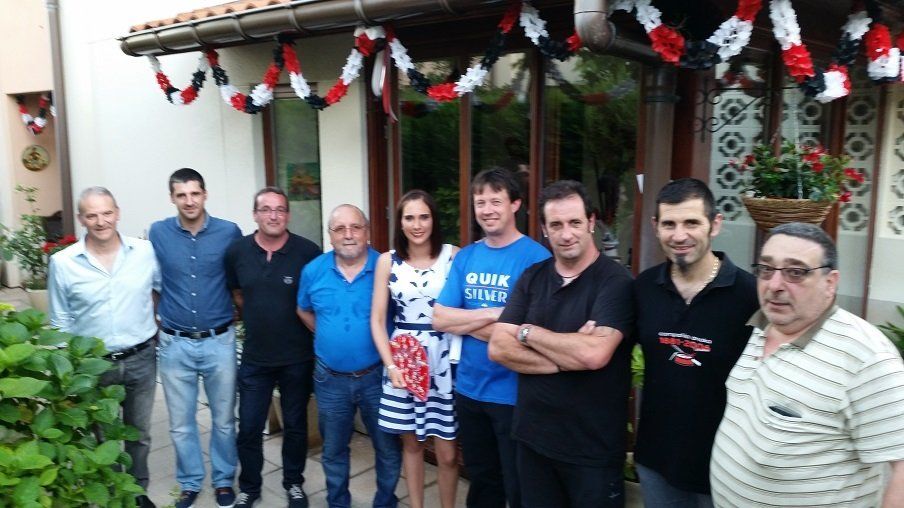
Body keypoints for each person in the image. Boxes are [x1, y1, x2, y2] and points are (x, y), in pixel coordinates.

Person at [710, 222, 904, 507]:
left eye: (796, 272)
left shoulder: (866, 358)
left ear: (830, 283)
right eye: (766, 269)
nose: (774, 285)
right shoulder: (762, 326)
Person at [488, 180, 634, 508]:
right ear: (544, 229)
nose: (566, 234)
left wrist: (528, 333)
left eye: (575, 222)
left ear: (591, 222)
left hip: (592, 452)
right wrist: (566, 359)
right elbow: (498, 347)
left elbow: (594, 354)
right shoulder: (533, 277)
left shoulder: (616, 282)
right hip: (533, 442)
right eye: (556, 225)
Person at [633, 178, 758, 507]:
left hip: (725, 467)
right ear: (655, 227)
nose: (679, 235)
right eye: (669, 224)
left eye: (691, 222)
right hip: (656, 461)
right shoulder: (644, 288)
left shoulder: (750, 296)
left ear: (715, 224)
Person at [433, 168, 550, 508]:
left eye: (496, 201)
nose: (487, 210)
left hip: (514, 395)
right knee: (482, 482)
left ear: (515, 204)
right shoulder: (467, 256)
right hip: (469, 390)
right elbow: (440, 318)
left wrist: (466, 321)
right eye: (480, 202)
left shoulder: (536, 259)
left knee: (519, 486)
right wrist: (497, 314)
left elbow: (529, 333)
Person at [48, 187, 160, 508]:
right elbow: (60, 320)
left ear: (118, 213)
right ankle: (112, 494)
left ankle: (137, 492)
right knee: (103, 436)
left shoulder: (145, 252)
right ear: (81, 219)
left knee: (139, 434)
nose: (101, 221)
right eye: (92, 215)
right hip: (94, 365)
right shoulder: (63, 263)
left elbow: (161, 290)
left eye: (107, 213)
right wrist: (68, 373)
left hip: (141, 358)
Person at [296, 204, 402, 508]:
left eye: (356, 227)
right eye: (340, 229)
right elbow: (303, 309)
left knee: (387, 448)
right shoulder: (313, 270)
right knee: (333, 450)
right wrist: (331, 337)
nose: (348, 235)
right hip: (330, 379)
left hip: (377, 376)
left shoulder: (386, 267)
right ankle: (338, 502)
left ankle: (385, 502)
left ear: (367, 232)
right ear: (330, 235)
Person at [149, 168, 242, 508]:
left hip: (219, 341)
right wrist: (155, 319)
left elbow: (238, 280)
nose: (189, 201)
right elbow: (151, 281)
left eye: (195, 193)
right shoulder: (158, 233)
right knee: (180, 423)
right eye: (181, 195)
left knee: (224, 420)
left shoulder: (229, 232)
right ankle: (189, 482)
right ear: (172, 198)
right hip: (175, 343)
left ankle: (223, 480)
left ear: (205, 194)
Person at [225, 187, 321, 508]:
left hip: (297, 358)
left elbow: (315, 300)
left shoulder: (308, 252)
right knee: (249, 427)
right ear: (255, 215)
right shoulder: (237, 252)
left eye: (280, 209)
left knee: (295, 426)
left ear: (288, 215)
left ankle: (293, 483)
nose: (273, 215)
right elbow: (238, 294)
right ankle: (249, 487)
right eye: (266, 209)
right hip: (256, 358)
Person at [371, 190, 460, 508]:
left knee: (448, 454)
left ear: (434, 219)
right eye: (409, 217)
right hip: (405, 360)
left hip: (444, 360)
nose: (417, 224)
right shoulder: (387, 261)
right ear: (400, 222)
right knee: (412, 445)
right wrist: (391, 365)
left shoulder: (453, 256)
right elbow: (377, 319)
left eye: (424, 216)